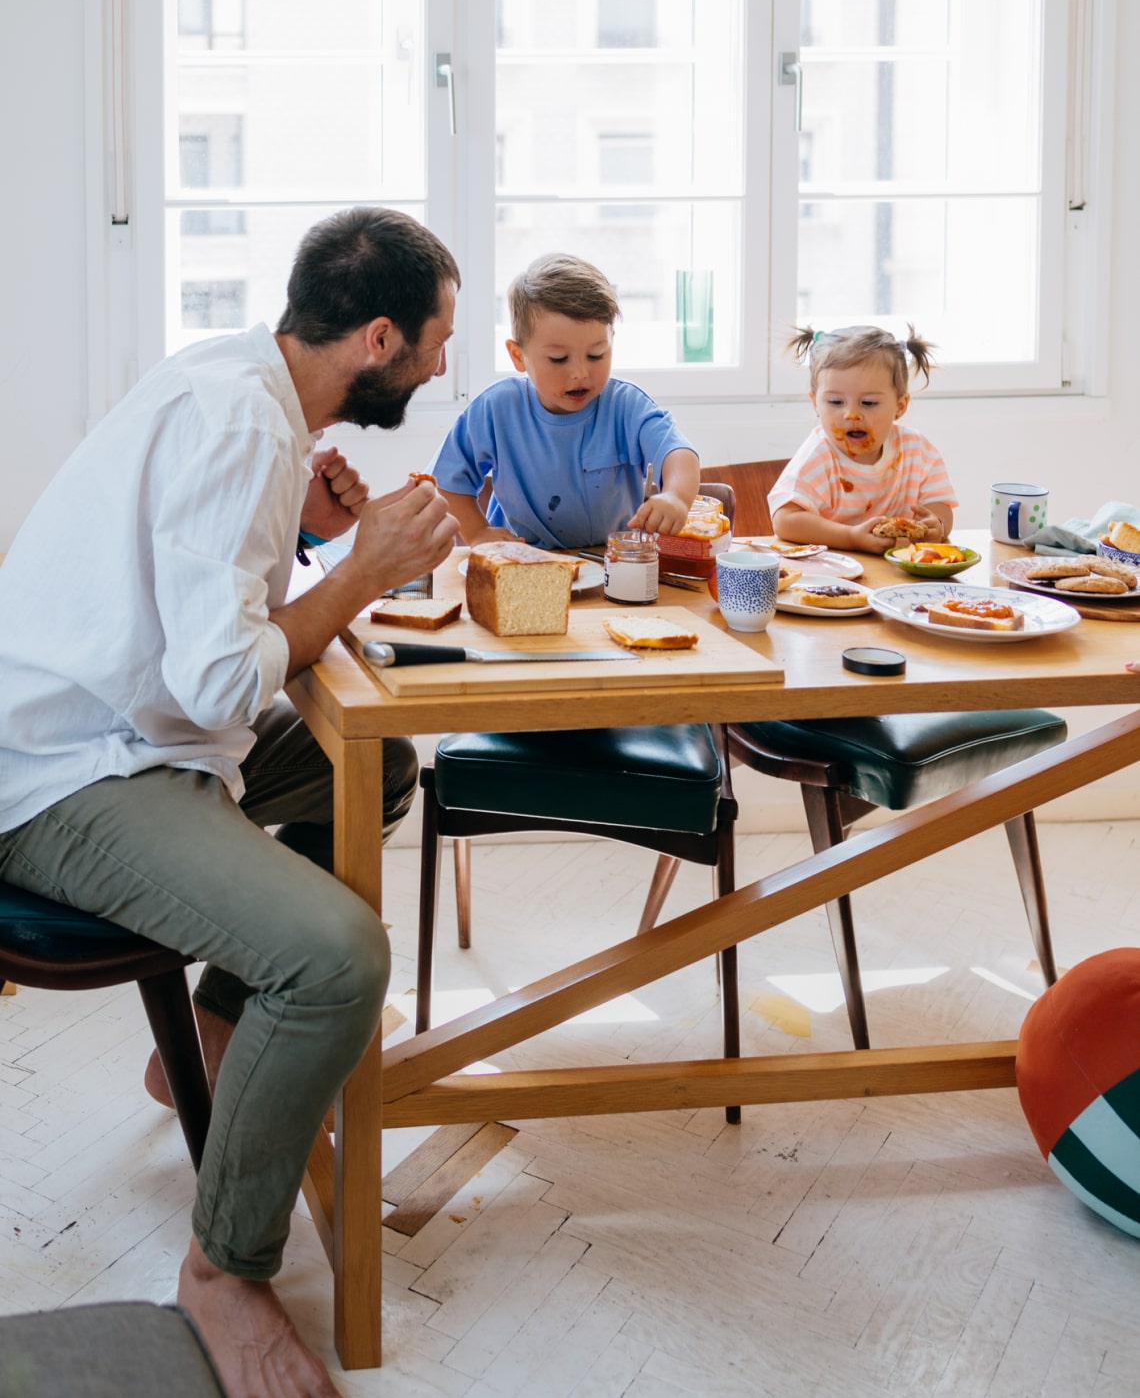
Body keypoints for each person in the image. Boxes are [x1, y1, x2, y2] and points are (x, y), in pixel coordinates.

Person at [0, 205, 462, 1398]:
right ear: (377, 337)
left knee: (381, 765)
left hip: (136, 724)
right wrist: (361, 568)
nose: (443, 363)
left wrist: (309, 536)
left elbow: (199, 600)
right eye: (434, 339)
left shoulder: (236, 378)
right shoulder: (242, 426)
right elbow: (219, 674)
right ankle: (222, 1270)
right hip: (68, 772)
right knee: (338, 955)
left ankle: (207, 1047)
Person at [431, 253, 700, 548]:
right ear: (518, 356)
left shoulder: (626, 405)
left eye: (596, 354)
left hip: (614, 567)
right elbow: (448, 480)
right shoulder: (497, 409)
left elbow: (678, 452)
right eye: (559, 359)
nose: (580, 373)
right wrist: (478, 533)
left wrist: (675, 496)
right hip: (524, 567)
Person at [769, 323, 956, 555]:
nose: (852, 414)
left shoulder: (917, 450)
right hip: (836, 571)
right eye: (836, 402)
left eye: (868, 403)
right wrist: (851, 537)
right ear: (815, 403)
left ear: (900, 406)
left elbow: (940, 507)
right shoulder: (818, 455)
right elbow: (785, 520)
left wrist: (936, 525)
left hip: (898, 574)